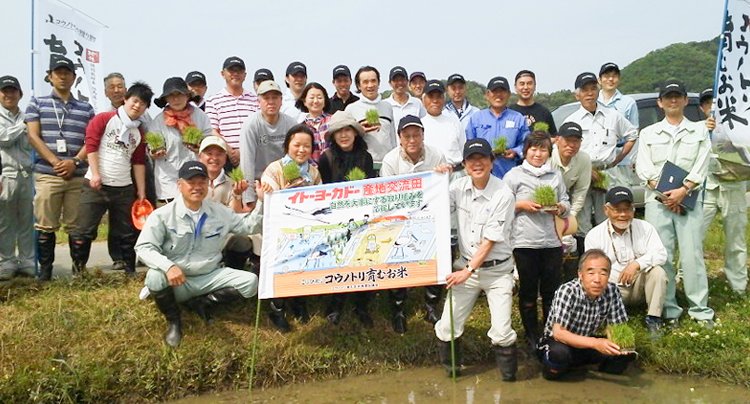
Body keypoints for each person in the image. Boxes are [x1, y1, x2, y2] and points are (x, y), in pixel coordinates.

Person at [135, 161, 264, 348]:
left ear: (207, 185)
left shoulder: (219, 212)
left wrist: (261, 200)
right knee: (154, 277)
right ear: (179, 185)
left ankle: (202, 303)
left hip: (209, 277)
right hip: (178, 281)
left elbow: (250, 225)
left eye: (202, 182)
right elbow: (144, 247)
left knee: (250, 283)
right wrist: (169, 267)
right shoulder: (162, 215)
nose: (197, 187)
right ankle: (174, 321)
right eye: (191, 182)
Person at [434, 138, 518, 381]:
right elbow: (434, 206)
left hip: (497, 272)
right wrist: (438, 179)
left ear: (492, 162)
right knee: (447, 327)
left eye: (483, 158)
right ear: (465, 164)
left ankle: (509, 382)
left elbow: (490, 241)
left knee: (502, 333)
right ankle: (452, 375)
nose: (477, 163)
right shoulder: (457, 187)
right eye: (471, 159)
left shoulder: (503, 194)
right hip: (466, 267)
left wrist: (467, 270)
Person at [636, 80, 714, 327]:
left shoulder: (700, 132)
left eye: (677, 96)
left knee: (692, 256)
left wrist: (684, 190)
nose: (672, 101)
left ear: (684, 101)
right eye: (667, 97)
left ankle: (700, 309)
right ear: (660, 102)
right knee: (663, 256)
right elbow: (644, 169)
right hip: (658, 204)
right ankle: (668, 308)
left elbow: (702, 164)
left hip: (689, 201)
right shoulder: (648, 134)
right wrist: (667, 196)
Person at [69, 82, 153, 276]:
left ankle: (129, 270)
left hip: (123, 187)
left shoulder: (138, 132)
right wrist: (96, 174)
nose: (137, 106)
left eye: (143, 104)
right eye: (135, 100)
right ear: (126, 99)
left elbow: (138, 163)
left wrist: (140, 191)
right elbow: (91, 146)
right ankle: (78, 271)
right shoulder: (103, 119)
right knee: (83, 230)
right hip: (95, 185)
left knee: (127, 232)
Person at [26, 55, 95, 281]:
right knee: (45, 225)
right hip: (48, 174)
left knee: (78, 226)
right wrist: (56, 162)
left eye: (67, 73)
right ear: (50, 77)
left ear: (74, 77)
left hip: (77, 175)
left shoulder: (86, 108)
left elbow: (91, 140)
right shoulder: (37, 102)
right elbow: (33, 136)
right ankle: (46, 272)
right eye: (58, 73)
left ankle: (79, 271)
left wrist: (74, 161)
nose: (63, 76)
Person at [380, 115, 451, 333]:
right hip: (400, 218)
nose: (412, 140)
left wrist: (443, 174)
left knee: (437, 256)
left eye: (416, 135)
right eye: (407, 135)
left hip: (429, 216)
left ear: (423, 135)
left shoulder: (436, 154)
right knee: (397, 260)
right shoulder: (391, 160)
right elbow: (387, 195)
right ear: (399, 138)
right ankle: (398, 310)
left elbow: (443, 186)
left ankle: (431, 307)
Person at [504, 131, 570, 350]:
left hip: (551, 242)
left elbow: (565, 201)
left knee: (552, 291)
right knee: (528, 291)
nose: (538, 153)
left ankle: (551, 331)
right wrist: (521, 205)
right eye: (533, 148)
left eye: (543, 149)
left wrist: (560, 208)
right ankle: (531, 334)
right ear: (525, 151)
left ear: (549, 153)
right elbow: (501, 207)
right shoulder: (514, 175)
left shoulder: (555, 175)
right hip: (524, 243)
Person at [537, 249, 637, 380]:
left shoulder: (612, 291)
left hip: (585, 343)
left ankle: (600, 374)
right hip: (557, 343)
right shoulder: (567, 291)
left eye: (603, 273)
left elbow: (618, 327)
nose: (597, 279)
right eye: (591, 273)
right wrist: (596, 343)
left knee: (624, 352)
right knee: (559, 354)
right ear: (580, 274)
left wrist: (619, 345)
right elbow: (559, 333)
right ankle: (556, 372)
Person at [317, 111, 377, 327]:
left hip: (362, 217)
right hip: (335, 219)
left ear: (355, 133)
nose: (343, 135)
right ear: (332, 136)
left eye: (347, 130)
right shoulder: (326, 159)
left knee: (365, 258)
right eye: (338, 131)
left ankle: (362, 305)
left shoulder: (366, 158)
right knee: (338, 259)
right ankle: (336, 303)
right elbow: (322, 191)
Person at [260, 124, 322, 332]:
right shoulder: (274, 168)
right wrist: (282, 192)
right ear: (288, 146)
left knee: (304, 261)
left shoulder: (313, 172)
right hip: (279, 230)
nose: (302, 150)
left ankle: (299, 303)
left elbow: (320, 199)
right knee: (282, 265)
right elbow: (266, 198)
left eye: (307, 146)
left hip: (304, 228)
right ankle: (276, 308)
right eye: (297, 145)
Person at [585, 186, 668, 335]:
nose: (623, 215)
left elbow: (661, 253)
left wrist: (636, 264)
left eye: (627, 209)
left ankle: (654, 319)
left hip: (639, 286)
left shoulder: (645, 228)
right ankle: (607, 318)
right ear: (606, 210)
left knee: (658, 272)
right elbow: (593, 269)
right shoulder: (594, 235)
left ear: (634, 210)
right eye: (617, 210)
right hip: (612, 290)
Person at [563, 72, 637, 235]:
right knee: (582, 220)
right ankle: (586, 255)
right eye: (584, 90)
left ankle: (608, 256)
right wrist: (587, 170)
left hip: (607, 174)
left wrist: (618, 158)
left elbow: (632, 135)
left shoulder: (613, 116)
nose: (589, 93)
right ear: (577, 95)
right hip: (581, 174)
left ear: (598, 91)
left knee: (607, 218)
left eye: (592, 89)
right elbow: (565, 150)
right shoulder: (571, 121)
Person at [701, 89, 747, 294]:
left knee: (736, 238)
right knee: (694, 235)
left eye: (717, 103)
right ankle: (687, 278)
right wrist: (703, 131)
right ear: (702, 108)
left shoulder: (741, 127)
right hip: (707, 189)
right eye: (708, 104)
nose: (713, 107)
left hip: (734, 187)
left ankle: (738, 285)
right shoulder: (697, 128)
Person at [197, 135, 258, 273]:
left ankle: (231, 270)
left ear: (225, 158)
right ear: (200, 156)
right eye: (209, 153)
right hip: (197, 232)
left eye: (219, 154)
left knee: (242, 240)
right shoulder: (193, 182)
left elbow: (234, 219)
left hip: (222, 233)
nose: (214, 158)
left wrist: (237, 195)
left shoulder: (232, 183)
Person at [148, 77, 211, 205]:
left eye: (179, 95)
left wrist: (200, 146)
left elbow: (209, 141)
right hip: (167, 182)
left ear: (187, 96)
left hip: (195, 180)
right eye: (171, 96)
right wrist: (154, 152)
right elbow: (151, 145)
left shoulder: (200, 116)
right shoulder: (158, 121)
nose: (176, 99)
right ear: (165, 99)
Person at [239, 80, 298, 208]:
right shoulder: (251, 125)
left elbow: (297, 158)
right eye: (266, 98)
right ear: (258, 101)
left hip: (286, 184)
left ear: (281, 100)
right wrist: (248, 200)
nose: (271, 101)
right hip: (259, 185)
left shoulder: (292, 124)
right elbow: (246, 163)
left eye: (275, 97)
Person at [0, 76, 34, 280]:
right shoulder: (24, 121)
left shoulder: (28, 116)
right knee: (6, 222)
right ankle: (6, 262)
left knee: (27, 221)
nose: (8, 95)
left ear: (20, 94)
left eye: (13, 91)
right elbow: (3, 138)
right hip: (6, 174)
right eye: (4, 91)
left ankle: (28, 261)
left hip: (28, 175)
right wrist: (23, 126)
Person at [550, 122, 593, 281]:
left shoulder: (583, 159)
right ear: (558, 140)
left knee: (577, 231)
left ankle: (573, 278)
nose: (571, 145)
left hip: (568, 202)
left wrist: (571, 215)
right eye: (567, 140)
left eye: (576, 141)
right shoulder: (547, 157)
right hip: (546, 202)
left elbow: (581, 191)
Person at [465, 76, 529, 179]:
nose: (498, 95)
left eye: (502, 91)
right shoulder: (476, 118)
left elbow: (526, 143)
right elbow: (468, 144)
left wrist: (515, 152)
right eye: (495, 91)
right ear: (487, 95)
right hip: (482, 174)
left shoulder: (518, 118)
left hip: (509, 173)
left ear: (508, 94)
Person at [204, 56, 259, 167]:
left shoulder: (255, 100)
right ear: (223, 73)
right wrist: (230, 151)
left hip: (253, 156)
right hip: (224, 159)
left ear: (245, 75)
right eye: (231, 70)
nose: (235, 74)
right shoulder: (213, 100)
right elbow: (213, 131)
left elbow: (259, 129)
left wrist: (242, 152)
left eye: (239, 71)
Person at [597, 62, 640, 189]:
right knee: (600, 203)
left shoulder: (628, 103)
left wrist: (621, 157)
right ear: (599, 80)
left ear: (619, 79)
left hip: (621, 161)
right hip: (598, 162)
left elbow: (633, 134)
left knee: (622, 201)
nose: (611, 79)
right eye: (606, 76)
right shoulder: (592, 101)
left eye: (614, 76)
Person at [345, 66, 396, 165]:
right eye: (365, 82)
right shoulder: (351, 109)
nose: (370, 85)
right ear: (359, 86)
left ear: (378, 83)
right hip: (362, 163)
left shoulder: (387, 106)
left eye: (373, 81)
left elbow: (392, 137)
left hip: (387, 164)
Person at [420, 79, 465, 167]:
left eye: (438, 97)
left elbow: (462, 149)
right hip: (429, 173)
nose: (435, 101)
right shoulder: (419, 125)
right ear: (423, 100)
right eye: (431, 97)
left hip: (454, 172)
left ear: (444, 99)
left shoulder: (454, 123)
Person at [509, 70, 557, 135]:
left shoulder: (544, 112)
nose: (525, 87)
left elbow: (554, 137)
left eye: (529, 84)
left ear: (534, 86)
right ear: (515, 87)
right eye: (522, 84)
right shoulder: (509, 112)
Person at [295, 82, 332, 162]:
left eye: (319, 97)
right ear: (304, 101)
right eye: (312, 97)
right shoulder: (300, 126)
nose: (315, 101)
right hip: (309, 171)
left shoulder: (333, 121)